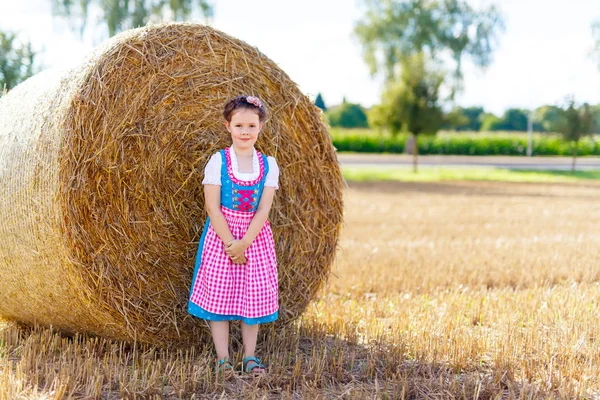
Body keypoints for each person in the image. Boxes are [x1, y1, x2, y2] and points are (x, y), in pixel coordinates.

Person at [187, 95, 279, 377]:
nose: (245, 132)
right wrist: (231, 244)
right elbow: (212, 207)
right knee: (220, 297)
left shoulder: (268, 164)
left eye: (251, 125)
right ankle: (223, 358)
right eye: (239, 125)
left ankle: (250, 356)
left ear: (260, 126)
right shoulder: (218, 161)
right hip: (221, 237)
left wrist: (244, 243)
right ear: (228, 126)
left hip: (255, 238)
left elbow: (263, 209)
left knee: (254, 296)